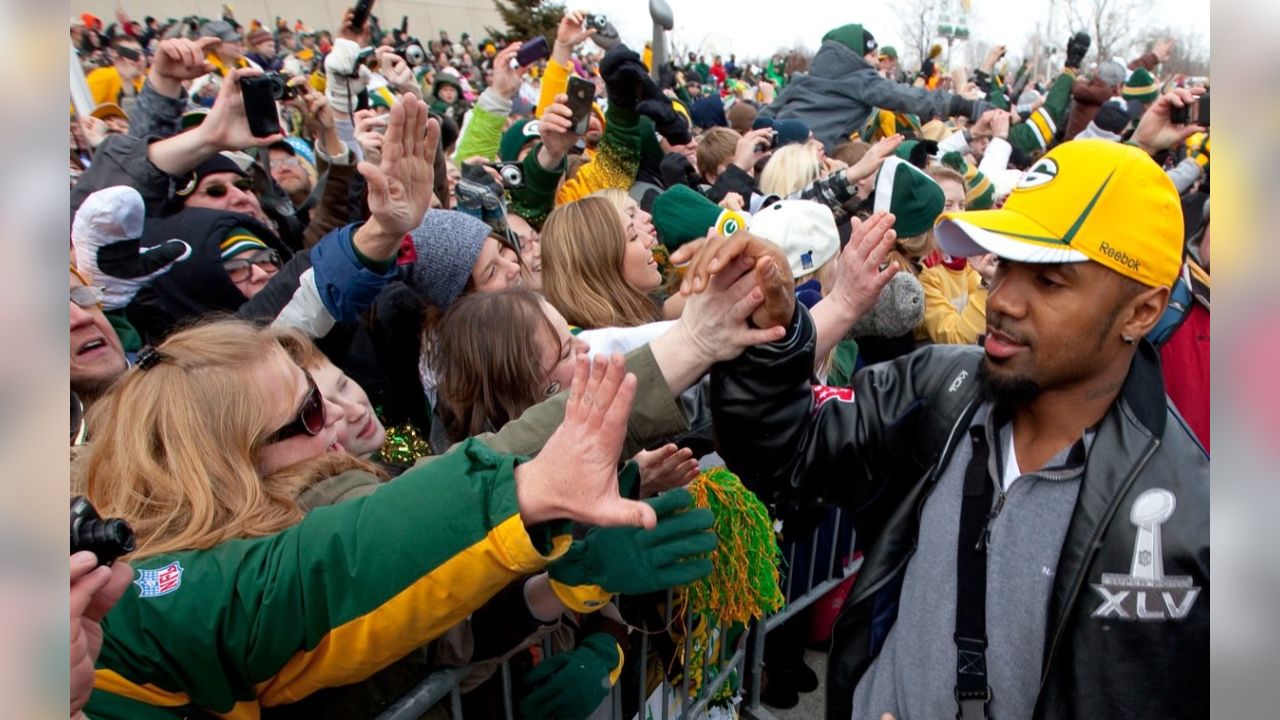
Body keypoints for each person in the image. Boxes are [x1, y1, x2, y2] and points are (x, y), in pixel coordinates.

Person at [687, 131, 1207, 719]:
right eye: (1005, 265)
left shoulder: (1190, 515)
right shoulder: (940, 387)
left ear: (1141, 311)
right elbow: (782, 452)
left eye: (1049, 280)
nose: (1004, 299)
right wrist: (773, 334)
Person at [761, 23, 995, 151]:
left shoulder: (801, 80)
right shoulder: (860, 78)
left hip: (777, 158)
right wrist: (965, 106)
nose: (875, 61)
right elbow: (908, 97)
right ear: (854, 55)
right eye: (871, 55)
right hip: (813, 159)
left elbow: (764, 117)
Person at [540, 196, 663, 329]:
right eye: (633, 236)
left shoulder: (643, 321)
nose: (648, 240)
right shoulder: (605, 346)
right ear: (601, 265)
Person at [84, 35, 147, 112]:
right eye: (130, 54)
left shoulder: (149, 82)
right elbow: (78, 109)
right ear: (116, 57)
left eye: (140, 53)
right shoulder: (106, 75)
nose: (139, 58)